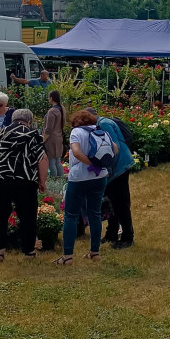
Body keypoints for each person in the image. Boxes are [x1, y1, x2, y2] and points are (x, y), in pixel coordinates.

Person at [0, 109, 47, 261]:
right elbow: (42, 159)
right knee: (27, 216)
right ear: (29, 121)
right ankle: (29, 251)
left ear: (12, 119)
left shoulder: (0, 133)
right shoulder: (33, 134)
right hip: (24, 179)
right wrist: (42, 181)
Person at [56, 110, 115, 265]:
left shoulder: (76, 132)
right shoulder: (100, 131)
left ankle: (67, 256)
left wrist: (90, 163)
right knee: (95, 214)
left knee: (71, 215)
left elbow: (76, 152)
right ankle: (95, 252)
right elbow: (114, 148)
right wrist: (100, 165)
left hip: (79, 178)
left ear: (76, 122)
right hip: (99, 178)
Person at [93, 107, 136, 249]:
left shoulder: (104, 124)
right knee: (111, 202)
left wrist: (107, 170)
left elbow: (113, 148)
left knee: (120, 203)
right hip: (115, 168)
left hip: (118, 168)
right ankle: (111, 234)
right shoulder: (101, 123)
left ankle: (127, 237)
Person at [42, 90, 66, 178]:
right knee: (58, 160)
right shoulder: (62, 108)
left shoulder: (52, 111)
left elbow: (48, 129)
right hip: (59, 136)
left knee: (51, 161)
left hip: (51, 139)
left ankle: (53, 181)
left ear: (51, 98)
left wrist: (43, 140)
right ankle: (60, 179)